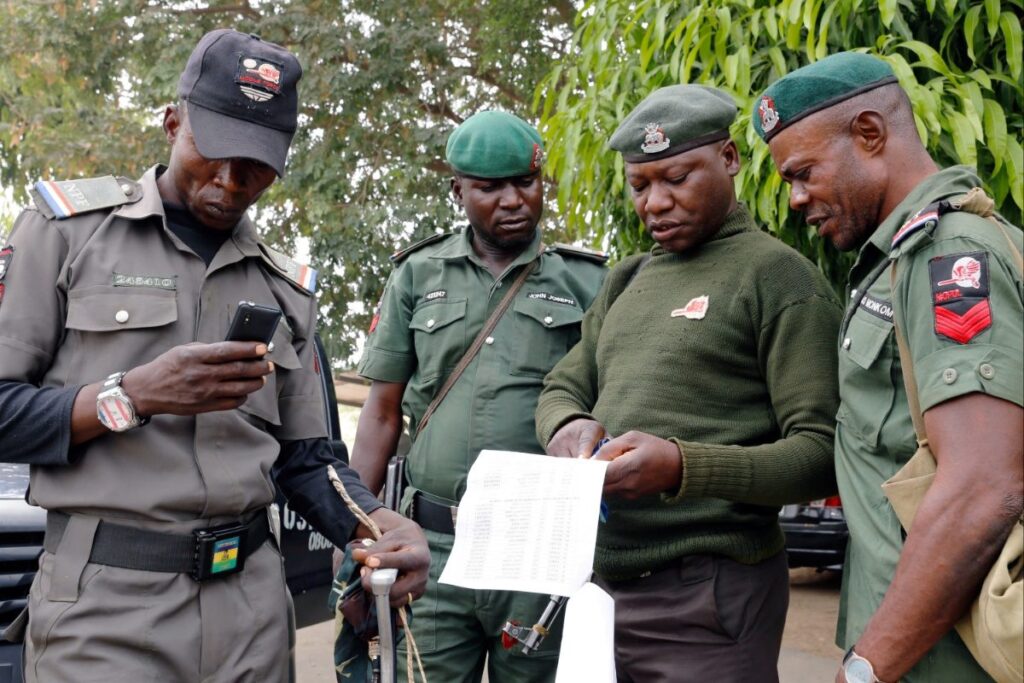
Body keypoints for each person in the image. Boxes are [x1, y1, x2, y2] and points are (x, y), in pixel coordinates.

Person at [0, 29, 428, 683]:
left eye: (255, 163)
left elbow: (308, 459)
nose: (230, 181)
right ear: (173, 123)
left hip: (251, 614)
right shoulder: (65, 236)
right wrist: (131, 396)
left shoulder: (285, 289)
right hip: (106, 609)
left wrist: (375, 524)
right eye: (214, 149)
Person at [535, 84, 843, 683]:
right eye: (640, 185)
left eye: (676, 178)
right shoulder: (627, 279)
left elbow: (823, 454)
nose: (655, 203)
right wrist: (567, 427)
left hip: (708, 596)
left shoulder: (779, 277)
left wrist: (681, 468)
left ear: (728, 159)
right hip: (600, 592)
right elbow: (561, 387)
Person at [756, 51, 1023, 683]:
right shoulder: (902, 258)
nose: (795, 199)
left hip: (946, 660)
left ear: (870, 133)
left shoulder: (950, 254)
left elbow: (983, 486)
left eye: (803, 173)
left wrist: (868, 669)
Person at [350, 109, 607, 682]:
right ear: (458, 191)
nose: (513, 200)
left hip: (540, 552)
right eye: (490, 188)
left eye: (526, 182)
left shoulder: (588, 282)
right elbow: (382, 414)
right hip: (432, 548)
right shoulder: (418, 273)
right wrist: (357, 533)